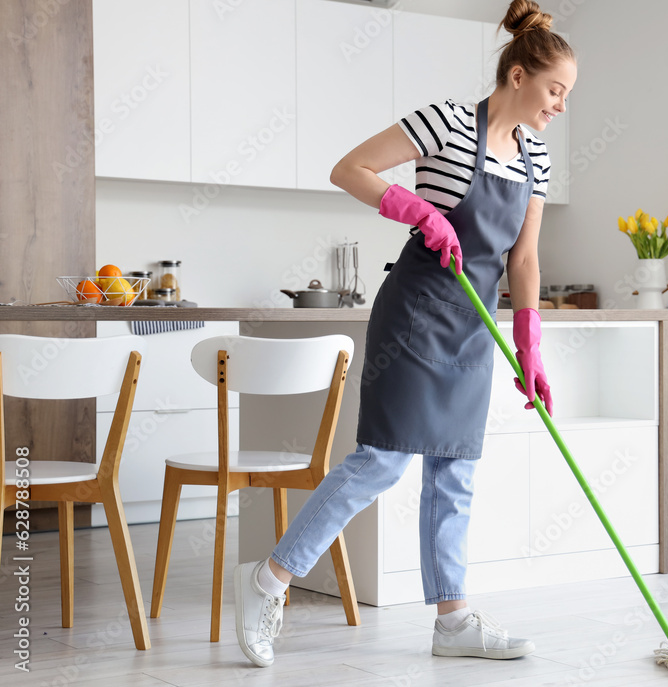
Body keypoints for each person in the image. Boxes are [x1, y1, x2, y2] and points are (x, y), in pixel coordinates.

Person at [233, 0, 576, 668]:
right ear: (517, 77)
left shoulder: (535, 159)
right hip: (416, 314)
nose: (560, 105)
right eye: (555, 89)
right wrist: (418, 210)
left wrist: (530, 351)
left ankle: (453, 620)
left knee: (456, 473)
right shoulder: (447, 120)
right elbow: (350, 168)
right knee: (382, 460)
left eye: (566, 94)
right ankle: (268, 580)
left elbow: (526, 260)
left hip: (477, 327)